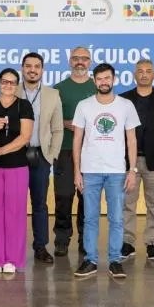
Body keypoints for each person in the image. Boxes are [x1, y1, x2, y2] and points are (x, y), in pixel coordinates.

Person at [72, 63, 140, 279]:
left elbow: (131, 140)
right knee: (90, 218)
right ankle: (90, 260)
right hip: (89, 171)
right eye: (99, 78)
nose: (103, 82)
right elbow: (77, 140)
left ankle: (115, 260)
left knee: (117, 218)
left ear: (114, 80)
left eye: (107, 78)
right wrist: (77, 171)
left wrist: (132, 170)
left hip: (117, 172)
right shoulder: (84, 105)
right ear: (94, 81)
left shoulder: (126, 105)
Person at [119, 59, 154, 263]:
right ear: (135, 75)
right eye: (140, 71)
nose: (144, 74)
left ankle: (152, 243)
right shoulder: (123, 99)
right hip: (128, 162)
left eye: (148, 71)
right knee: (127, 204)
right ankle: (127, 242)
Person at [0, 68, 34, 275]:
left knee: (15, 213)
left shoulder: (24, 105)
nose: (8, 85)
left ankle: (12, 258)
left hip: (17, 167)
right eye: (5, 81)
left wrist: (1, 149)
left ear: (17, 85)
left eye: (12, 82)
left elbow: (25, 137)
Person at [16, 52, 63, 264]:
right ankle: (14, 248)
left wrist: (51, 155)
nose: (32, 69)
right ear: (22, 68)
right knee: (15, 205)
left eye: (37, 66)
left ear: (42, 70)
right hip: (14, 156)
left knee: (40, 204)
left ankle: (41, 246)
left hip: (41, 157)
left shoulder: (53, 95)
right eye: (28, 66)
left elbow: (58, 129)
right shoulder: (12, 91)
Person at [53, 46, 96, 259]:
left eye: (84, 59)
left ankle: (85, 241)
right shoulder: (58, 89)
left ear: (90, 62)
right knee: (63, 196)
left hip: (92, 152)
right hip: (64, 149)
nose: (80, 62)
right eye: (76, 58)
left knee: (87, 198)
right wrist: (66, 123)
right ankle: (61, 239)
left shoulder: (98, 88)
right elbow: (48, 120)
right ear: (70, 61)